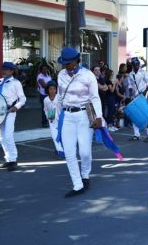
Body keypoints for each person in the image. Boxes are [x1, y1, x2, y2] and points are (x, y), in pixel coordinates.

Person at [57, 47, 103, 198]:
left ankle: (85, 175)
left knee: (84, 152)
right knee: (69, 153)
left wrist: (99, 117)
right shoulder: (61, 75)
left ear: (77, 61)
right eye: (64, 63)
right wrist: (57, 116)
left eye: (68, 63)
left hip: (84, 115)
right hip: (67, 116)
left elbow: (95, 97)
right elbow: (59, 97)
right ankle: (77, 185)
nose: (65, 66)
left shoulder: (88, 75)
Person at [0, 62, 27, 171]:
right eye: (3, 68)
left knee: (8, 136)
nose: (4, 71)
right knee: (1, 137)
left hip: (10, 111)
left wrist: (16, 107)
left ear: (12, 71)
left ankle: (13, 160)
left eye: (6, 69)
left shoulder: (16, 83)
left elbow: (23, 99)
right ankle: (8, 159)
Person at [128, 57, 148, 142]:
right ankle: (136, 135)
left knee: (144, 115)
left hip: (142, 96)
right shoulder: (130, 74)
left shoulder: (143, 72)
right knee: (134, 116)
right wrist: (130, 94)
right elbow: (130, 86)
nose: (137, 66)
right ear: (132, 65)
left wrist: (145, 92)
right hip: (134, 97)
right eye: (135, 64)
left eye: (138, 64)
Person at [43, 80, 65, 159]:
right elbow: (45, 109)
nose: (52, 91)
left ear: (56, 89)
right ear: (47, 90)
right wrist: (47, 115)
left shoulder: (59, 97)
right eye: (50, 89)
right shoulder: (46, 100)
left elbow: (64, 107)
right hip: (52, 120)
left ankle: (60, 149)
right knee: (54, 135)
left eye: (54, 89)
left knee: (62, 135)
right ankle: (61, 152)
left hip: (61, 119)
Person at [37, 63, 52, 128]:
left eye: (46, 69)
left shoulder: (48, 75)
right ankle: (44, 123)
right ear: (41, 70)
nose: (45, 70)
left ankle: (51, 121)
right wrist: (52, 85)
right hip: (43, 95)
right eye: (44, 69)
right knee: (45, 109)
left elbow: (49, 84)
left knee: (51, 108)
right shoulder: (40, 76)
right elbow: (44, 85)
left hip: (50, 94)